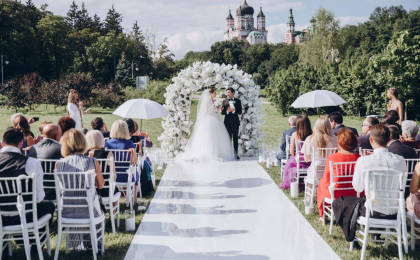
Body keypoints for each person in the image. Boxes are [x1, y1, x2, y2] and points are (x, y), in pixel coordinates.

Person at [333, 124, 406, 245]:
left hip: (372, 211)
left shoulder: (364, 160)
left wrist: (362, 162)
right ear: (389, 140)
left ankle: (352, 238)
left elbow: (358, 187)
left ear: (371, 140)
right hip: (395, 211)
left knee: (338, 202)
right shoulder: (400, 160)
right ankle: (375, 235)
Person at [55, 129, 105, 250]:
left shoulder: (59, 164)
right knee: (97, 203)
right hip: (89, 211)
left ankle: (75, 243)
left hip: (66, 210)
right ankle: (95, 242)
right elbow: (101, 185)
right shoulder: (92, 161)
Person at [0, 128, 55, 235]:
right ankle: (37, 244)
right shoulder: (32, 163)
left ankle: (5, 247)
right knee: (49, 205)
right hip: (26, 215)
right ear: (21, 143)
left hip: (1, 217)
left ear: (2, 143)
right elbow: (39, 198)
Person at [176, 88, 236, 162]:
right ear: (210, 93)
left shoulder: (214, 101)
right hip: (209, 120)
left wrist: (219, 109)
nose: (216, 94)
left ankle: (218, 152)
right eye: (214, 93)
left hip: (215, 119)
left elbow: (215, 110)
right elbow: (207, 112)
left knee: (217, 136)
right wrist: (216, 110)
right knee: (209, 136)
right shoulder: (207, 101)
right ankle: (210, 153)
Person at [317, 128, 360, 218]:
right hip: (356, 192)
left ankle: (322, 215)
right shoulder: (359, 158)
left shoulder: (333, 157)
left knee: (321, 182)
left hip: (338, 193)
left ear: (339, 142)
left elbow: (326, 178)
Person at [105, 120, 144, 200]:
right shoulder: (129, 143)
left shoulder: (107, 143)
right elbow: (135, 162)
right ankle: (134, 199)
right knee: (135, 173)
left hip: (111, 176)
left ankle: (127, 197)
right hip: (126, 176)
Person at [28, 124, 63, 200]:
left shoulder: (33, 148)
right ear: (56, 136)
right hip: (54, 190)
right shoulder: (61, 149)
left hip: (35, 190)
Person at [279, 115, 312, 189]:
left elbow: (291, 151)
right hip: (310, 160)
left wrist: (296, 156)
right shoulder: (312, 135)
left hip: (299, 160)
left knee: (291, 162)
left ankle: (295, 182)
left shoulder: (295, 135)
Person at [302, 116, 338, 180]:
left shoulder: (310, 139)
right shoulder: (335, 139)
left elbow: (307, 159)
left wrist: (318, 161)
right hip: (331, 172)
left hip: (315, 173)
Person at [86, 130, 118, 197]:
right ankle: (113, 206)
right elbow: (113, 176)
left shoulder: (85, 155)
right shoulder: (108, 154)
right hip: (105, 189)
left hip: (88, 190)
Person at [221, 87, 242, 159]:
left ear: (233, 93)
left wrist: (234, 111)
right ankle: (229, 154)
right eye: (227, 93)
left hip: (235, 123)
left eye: (229, 92)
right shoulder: (224, 101)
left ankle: (236, 154)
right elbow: (222, 112)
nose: (228, 94)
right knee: (228, 139)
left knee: (235, 139)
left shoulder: (238, 101)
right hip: (227, 123)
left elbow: (240, 112)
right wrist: (227, 111)